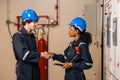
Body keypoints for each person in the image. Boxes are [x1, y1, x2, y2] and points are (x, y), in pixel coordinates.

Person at [12, 9, 49, 80]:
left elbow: (33, 53)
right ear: (26, 21)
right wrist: (41, 54)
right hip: (25, 72)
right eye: (34, 22)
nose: (36, 24)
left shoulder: (32, 36)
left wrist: (43, 54)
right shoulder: (18, 36)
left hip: (35, 70)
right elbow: (24, 55)